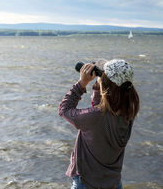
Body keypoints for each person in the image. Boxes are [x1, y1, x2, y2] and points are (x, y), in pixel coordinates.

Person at [59, 59, 140, 189]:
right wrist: (99, 84)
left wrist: (82, 83)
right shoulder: (128, 112)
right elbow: (101, 104)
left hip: (87, 183)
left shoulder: (96, 116)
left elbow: (64, 109)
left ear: (106, 86)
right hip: (113, 182)